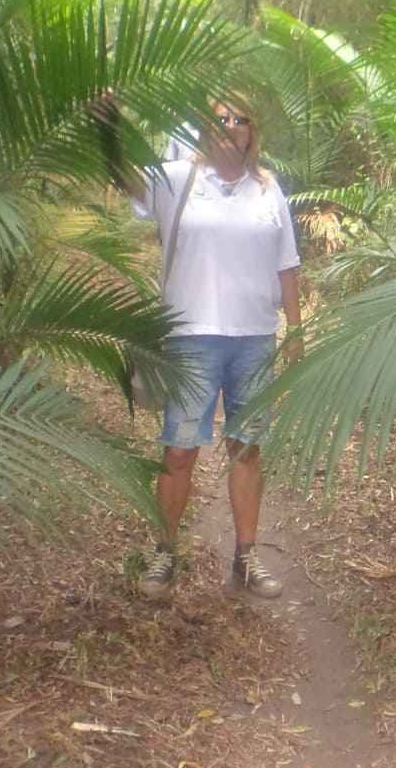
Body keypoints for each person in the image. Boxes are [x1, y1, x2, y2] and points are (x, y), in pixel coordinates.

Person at [126, 97, 302, 602]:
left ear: (252, 131)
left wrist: (295, 331)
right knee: (180, 449)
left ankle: (246, 556)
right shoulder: (178, 178)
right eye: (221, 118)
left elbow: (287, 265)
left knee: (247, 449)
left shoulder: (268, 189)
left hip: (254, 339)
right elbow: (129, 182)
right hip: (192, 335)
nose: (230, 126)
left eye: (240, 119)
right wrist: (108, 127)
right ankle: (165, 552)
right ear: (205, 128)